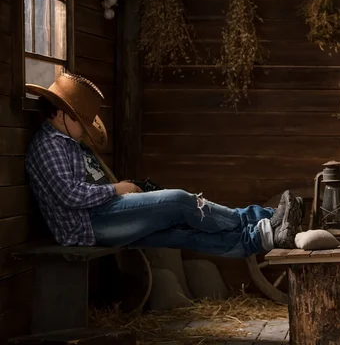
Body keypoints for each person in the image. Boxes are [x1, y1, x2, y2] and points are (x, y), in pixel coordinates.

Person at [25, 72, 303, 257]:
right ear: (61, 115)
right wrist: (119, 189)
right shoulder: (49, 145)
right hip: (89, 225)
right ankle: (259, 217)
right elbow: (70, 195)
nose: (86, 129)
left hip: (98, 216)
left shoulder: (66, 142)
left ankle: (264, 237)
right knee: (180, 201)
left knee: (181, 234)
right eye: (81, 122)